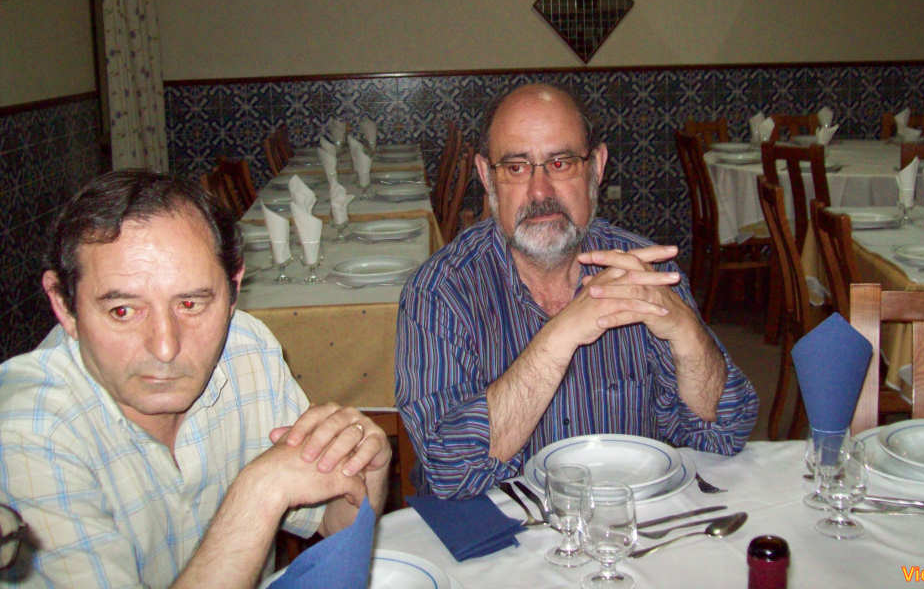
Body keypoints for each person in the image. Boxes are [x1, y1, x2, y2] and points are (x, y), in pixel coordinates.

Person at [0, 171, 391, 588]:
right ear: (64, 305)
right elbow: (266, 493)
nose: (165, 348)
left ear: (233, 289)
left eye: (190, 304)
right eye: (123, 311)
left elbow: (334, 521)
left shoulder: (246, 350)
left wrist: (366, 469)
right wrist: (257, 494)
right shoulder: (26, 431)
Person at [396, 84, 758, 498]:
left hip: (626, 517)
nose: (540, 191)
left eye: (560, 163)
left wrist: (686, 332)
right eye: (516, 167)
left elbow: (723, 434)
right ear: (486, 177)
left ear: (597, 167)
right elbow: (450, 473)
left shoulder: (645, 272)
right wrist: (562, 333)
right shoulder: (439, 293)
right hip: (504, 528)